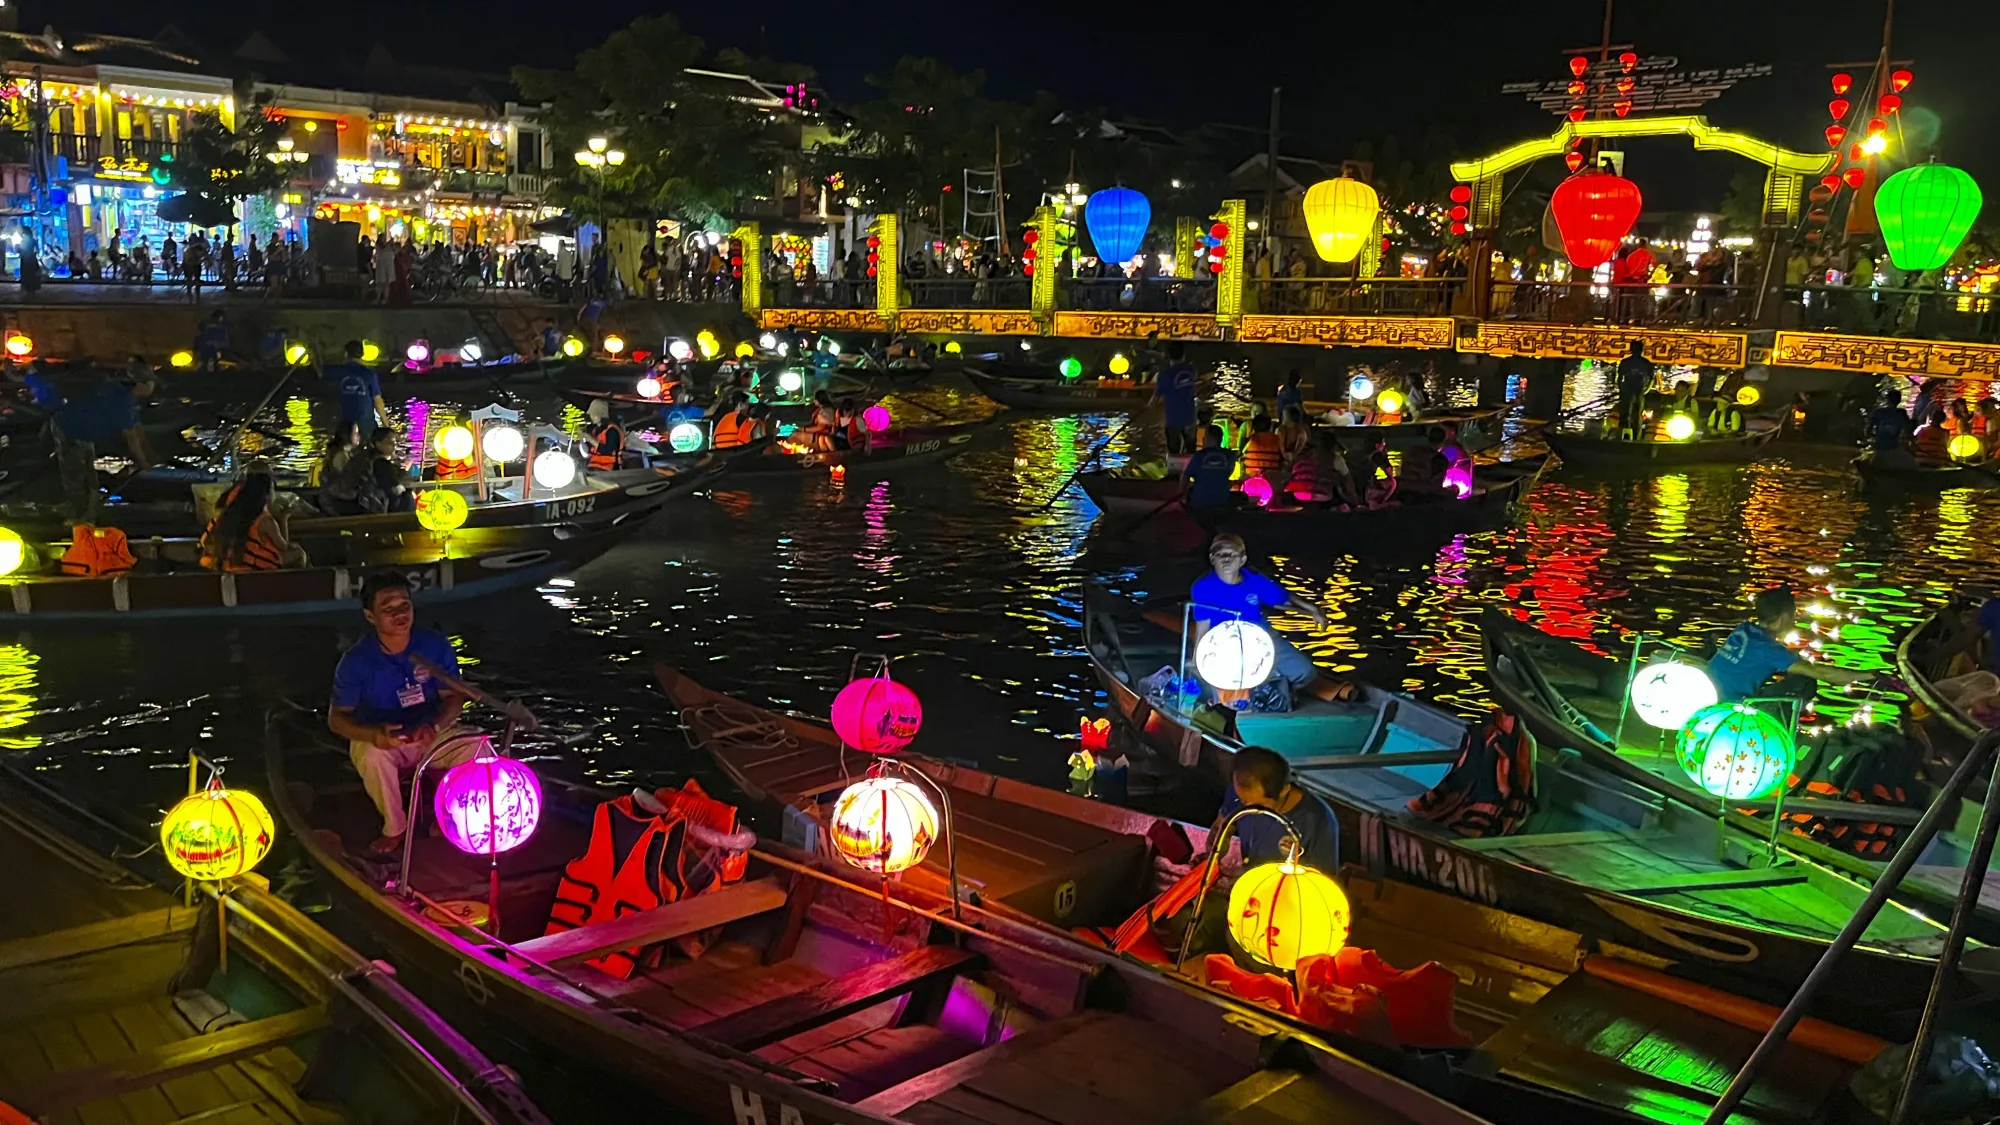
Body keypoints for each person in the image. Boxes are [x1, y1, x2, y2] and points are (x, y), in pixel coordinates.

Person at [329, 574, 482, 853]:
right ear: (370, 616)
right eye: (389, 608)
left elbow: (454, 696)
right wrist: (374, 735)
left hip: (429, 732)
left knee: (479, 750)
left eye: (405, 606)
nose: (400, 614)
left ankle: (449, 817)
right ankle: (395, 826)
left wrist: (434, 726)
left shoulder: (434, 645)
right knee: (372, 756)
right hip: (385, 738)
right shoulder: (356, 661)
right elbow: (337, 719)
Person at [1190, 533, 1328, 696]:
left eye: (1231, 554)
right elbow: (1203, 625)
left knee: (1305, 672)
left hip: (1259, 634)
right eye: (1220, 555)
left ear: (1242, 560)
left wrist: (1312, 609)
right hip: (1225, 641)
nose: (1226, 559)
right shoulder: (1203, 587)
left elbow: (1281, 598)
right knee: (1230, 685)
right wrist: (1197, 660)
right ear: (1212, 559)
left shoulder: (1253, 578)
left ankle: (1281, 686)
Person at [1707, 588, 1870, 704]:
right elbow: (1822, 673)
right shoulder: (1770, 650)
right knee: (1804, 681)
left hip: (1708, 694)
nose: (1795, 620)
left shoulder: (1742, 630)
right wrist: (1868, 676)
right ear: (1784, 617)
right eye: (1793, 615)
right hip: (1727, 706)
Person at [53, 375, 157, 521]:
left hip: (83, 429)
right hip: (70, 428)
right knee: (75, 472)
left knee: (89, 469)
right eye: (150, 384)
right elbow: (131, 437)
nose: (152, 388)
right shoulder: (122, 402)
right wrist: (143, 462)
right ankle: (78, 515)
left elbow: (137, 428)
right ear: (139, 384)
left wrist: (148, 454)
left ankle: (91, 503)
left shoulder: (126, 395)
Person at [199, 469, 300, 572]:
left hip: (226, 571)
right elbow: (283, 546)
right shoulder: (265, 520)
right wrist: (284, 518)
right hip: (254, 574)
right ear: (267, 494)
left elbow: (203, 541)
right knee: (299, 554)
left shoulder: (225, 515)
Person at [326, 340, 387, 432]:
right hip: (366, 424)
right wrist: (386, 425)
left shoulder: (337, 372)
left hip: (345, 425)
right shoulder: (369, 374)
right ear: (362, 354)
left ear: (345, 354)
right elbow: (377, 401)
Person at [1153, 343, 1199, 455]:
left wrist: (1149, 406)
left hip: (1173, 419)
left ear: (1168, 356)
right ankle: (1191, 469)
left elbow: (1156, 398)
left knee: (1174, 451)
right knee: (1190, 449)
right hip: (1190, 417)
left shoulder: (1165, 375)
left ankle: (1174, 470)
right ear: (1183, 355)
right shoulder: (1191, 371)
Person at [1181, 425, 1238, 513]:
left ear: (1209, 439)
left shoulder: (1199, 456)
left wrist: (1180, 494)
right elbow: (1229, 471)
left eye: (1205, 437)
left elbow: (1186, 477)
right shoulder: (1228, 456)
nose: (1203, 439)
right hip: (1221, 501)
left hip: (1200, 502)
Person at [364, 427, 417, 513]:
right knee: (408, 496)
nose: (394, 446)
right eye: (390, 443)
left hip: (374, 503)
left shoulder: (371, 459)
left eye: (395, 442)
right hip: (379, 506)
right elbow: (396, 488)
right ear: (378, 444)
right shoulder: (381, 463)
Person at [1616, 340, 1656, 440]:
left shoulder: (1644, 363)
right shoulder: (1642, 363)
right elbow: (1619, 378)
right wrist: (1622, 389)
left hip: (1638, 391)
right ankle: (1629, 435)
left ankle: (1633, 436)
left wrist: (1646, 390)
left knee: (1636, 416)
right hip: (1632, 390)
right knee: (1629, 414)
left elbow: (1651, 378)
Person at [1867, 393, 1915, 468]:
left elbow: (1868, 431)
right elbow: (1908, 430)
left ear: (1887, 400)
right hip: (1894, 448)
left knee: (1876, 464)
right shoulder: (1901, 413)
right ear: (1899, 401)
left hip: (1879, 447)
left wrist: (1876, 437)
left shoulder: (1878, 412)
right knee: (1912, 464)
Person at [585, 398, 626, 470]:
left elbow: (608, 450)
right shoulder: (595, 429)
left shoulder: (612, 430)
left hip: (609, 468)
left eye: (595, 415)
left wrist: (591, 440)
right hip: (594, 465)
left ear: (602, 415)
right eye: (592, 414)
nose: (592, 417)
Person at [1239, 414, 1284, 479]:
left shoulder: (1251, 439)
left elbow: (1242, 453)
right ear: (1270, 427)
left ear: (1254, 427)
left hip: (1251, 475)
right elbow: (1282, 456)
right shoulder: (1277, 439)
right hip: (1271, 476)